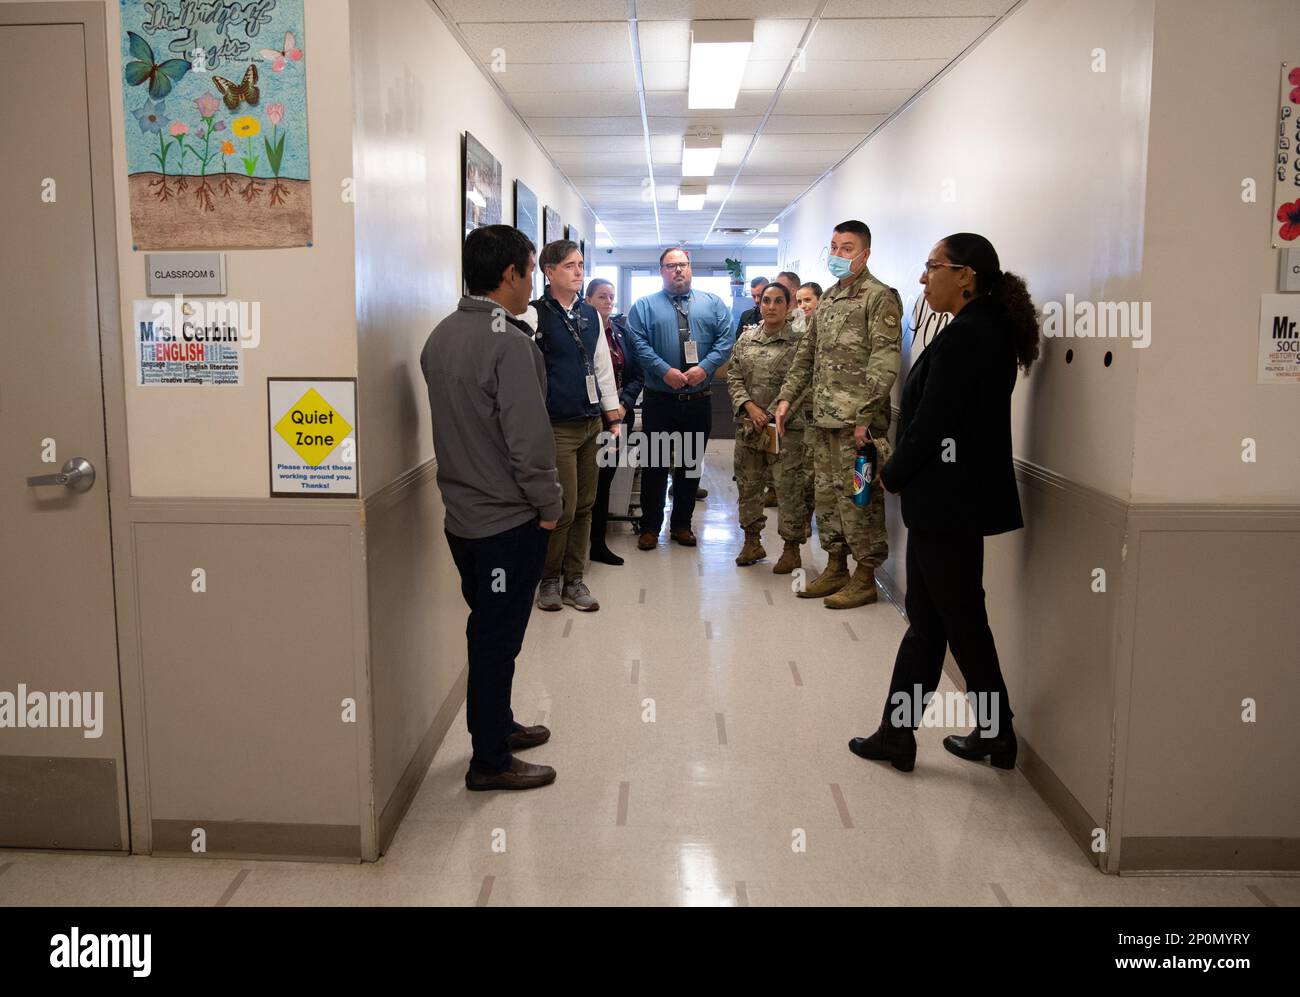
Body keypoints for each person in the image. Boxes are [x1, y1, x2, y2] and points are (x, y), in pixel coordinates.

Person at [849, 232, 1039, 773]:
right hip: (955, 501)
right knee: (937, 620)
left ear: (966, 275)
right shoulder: (981, 330)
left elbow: (933, 422)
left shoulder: (970, 337)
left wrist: (894, 472)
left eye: (932, 267)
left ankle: (986, 732)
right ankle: (909, 734)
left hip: (946, 503)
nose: (923, 277)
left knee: (953, 620)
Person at [419, 224, 560, 792]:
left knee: (489, 631)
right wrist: (550, 507)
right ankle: (491, 761)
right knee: (497, 640)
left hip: (463, 521)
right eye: (531, 270)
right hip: (507, 523)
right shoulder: (509, 342)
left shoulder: (441, 335)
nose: (534, 282)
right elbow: (528, 443)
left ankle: (497, 726)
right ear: (510, 274)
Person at [773, 220, 901, 609]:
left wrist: (865, 415)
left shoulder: (880, 297)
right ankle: (836, 566)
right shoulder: (827, 299)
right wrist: (785, 399)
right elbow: (806, 357)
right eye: (833, 247)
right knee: (827, 498)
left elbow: (884, 361)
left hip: (856, 428)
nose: (838, 255)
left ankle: (864, 576)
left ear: (865, 253)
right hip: (823, 422)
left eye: (847, 248)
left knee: (859, 500)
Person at [530, 240, 625, 611]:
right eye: (569, 265)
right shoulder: (534, 315)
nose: (578, 271)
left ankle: (576, 579)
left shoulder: (589, 314)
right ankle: (549, 580)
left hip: (590, 425)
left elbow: (602, 366)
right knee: (563, 507)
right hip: (557, 426)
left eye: (581, 264)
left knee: (586, 504)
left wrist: (613, 417)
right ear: (549, 271)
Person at [626, 247, 734, 549]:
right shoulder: (644, 307)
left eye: (683, 264)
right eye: (671, 265)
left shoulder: (712, 304)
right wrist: (664, 371)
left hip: (698, 399)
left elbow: (726, 340)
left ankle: (682, 525)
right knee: (656, 466)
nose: (678, 270)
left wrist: (706, 367)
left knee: (689, 466)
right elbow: (638, 343)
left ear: (691, 268)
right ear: (661, 270)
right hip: (661, 399)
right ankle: (650, 527)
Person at [727, 281, 813, 573]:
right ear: (759, 304)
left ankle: (791, 549)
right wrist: (750, 407)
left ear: (789, 305)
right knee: (749, 485)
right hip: (750, 427)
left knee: (789, 489)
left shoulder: (801, 342)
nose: (771, 306)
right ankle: (752, 542)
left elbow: (800, 383)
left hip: (785, 430)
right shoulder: (746, 340)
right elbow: (734, 376)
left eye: (778, 301)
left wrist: (772, 411)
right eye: (766, 301)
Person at [585, 277, 644, 566]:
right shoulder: (581, 334)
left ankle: (598, 543)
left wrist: (622, 405)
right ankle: (574, 546)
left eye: (611, 297)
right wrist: (606, 408)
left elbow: (637, 375)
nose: (608, 302)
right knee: (585, 483)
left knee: (605, 479)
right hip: (591, 418)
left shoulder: (622, 334)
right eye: (601, 297)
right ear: (587, 302)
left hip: (620, 418)